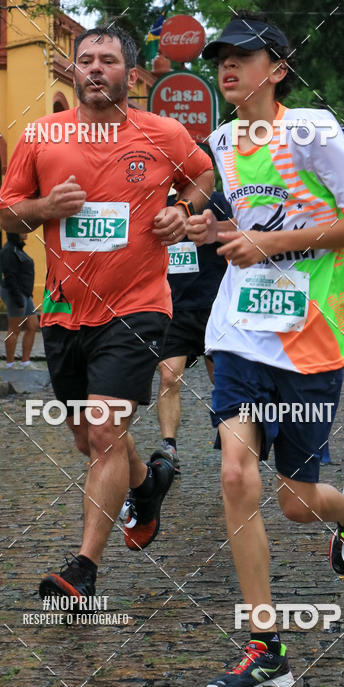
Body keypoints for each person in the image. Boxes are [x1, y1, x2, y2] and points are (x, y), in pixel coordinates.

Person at [186, 11, 344, 687]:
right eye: (219, 58)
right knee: (237, 473)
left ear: (279, 67)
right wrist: (212, 228)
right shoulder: (223, 139)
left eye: (242, 55)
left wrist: (266, 244)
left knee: (297, 504)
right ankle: (266, 646)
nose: (227, 67)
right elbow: (252, 220)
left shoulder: (313, 131)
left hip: (312, 337)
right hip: (240, 332)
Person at [0, 25, 214, 605]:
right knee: (86, 439)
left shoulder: (163, 132)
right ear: (73, 71)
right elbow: (7, 217)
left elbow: (203, 177)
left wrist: (181, 209)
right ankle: (147, 483)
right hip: (66, 312)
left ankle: (83, 567)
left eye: (107, 60)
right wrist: (46, 206)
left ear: (130, 75)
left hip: (138, 307)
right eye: (85, 60)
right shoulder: (42, 136)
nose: (94, 69)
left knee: (105, 429)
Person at [156, 189, 232, 474]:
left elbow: (235, 230)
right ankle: (169, 447)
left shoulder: (213, 199)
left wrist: (211, 230)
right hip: (173, 307)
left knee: (222, 379)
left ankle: (231, 437)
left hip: (213, 304)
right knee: (168, 375)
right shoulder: (155, 198)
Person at [0, 232, 39, 368]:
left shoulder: (18, 249)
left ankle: (25, 361)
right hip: (15, 293)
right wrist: (17, 298)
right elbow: (10, 276)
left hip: (25, 294)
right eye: (22, 230)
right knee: (14, 329)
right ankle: (10, 363)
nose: (26, 232)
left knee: (33, 325)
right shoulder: (8, 251)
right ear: (14, 233)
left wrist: (28, 295)